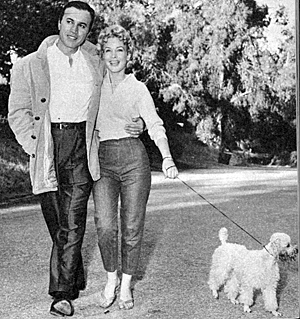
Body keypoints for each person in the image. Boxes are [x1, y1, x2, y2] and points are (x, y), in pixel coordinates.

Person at [8, 2, 143, 317]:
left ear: (88, 31)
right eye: (69, 21)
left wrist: (137, 121)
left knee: (72, 222)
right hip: (47, 145)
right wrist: (34, 145)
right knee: (57, 223)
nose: (74, 30)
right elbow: (18, 111)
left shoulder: (96, 62)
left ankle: (62, 294)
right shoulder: (30, 64)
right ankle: (73, 274)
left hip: (82, 146)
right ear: (59, 22)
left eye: (82, 25)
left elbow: (120, 94)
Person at [92, 24, 179, 311]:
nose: (114, 56)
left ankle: (127, 284)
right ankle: (110, 279)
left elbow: (154, 124)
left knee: (131, 228)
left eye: (120, 50)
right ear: (101, 55)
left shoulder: (138, 88)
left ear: (129, 55)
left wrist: (166, 157)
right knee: (105, 226)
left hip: (134, 162)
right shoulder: (93, 85)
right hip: (102, 159)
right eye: (108, 51)